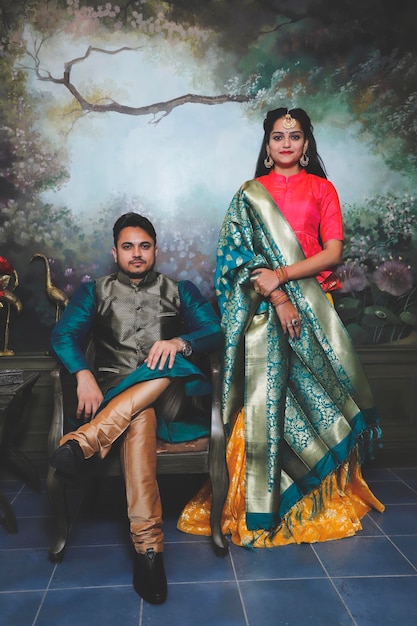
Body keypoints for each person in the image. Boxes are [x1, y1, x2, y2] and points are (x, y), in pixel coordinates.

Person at [178, 107, 384, 547]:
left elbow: (332, 254)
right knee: (262, 407)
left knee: (320, 403)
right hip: (262, 316)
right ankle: (254, 502)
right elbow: (235, 261)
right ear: (267, 146)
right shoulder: (250, 194)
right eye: (277, 136)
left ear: (307, 144)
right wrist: (276, 296)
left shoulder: (323, 190)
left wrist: (284, 278)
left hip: (317, 314)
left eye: (294, 135)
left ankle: (316, 504)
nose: (286, 143)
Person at [49, 212, 222, 604]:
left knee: (169, 361)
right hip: (119, 399)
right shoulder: (96, 291)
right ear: (115, 252)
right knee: (138, 416)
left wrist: (179, 343)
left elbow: (215, 331)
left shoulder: (181, 290)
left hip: (171, 401)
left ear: (155, 250)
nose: (137, 254)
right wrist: (83, 374)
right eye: (128, 246)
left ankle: (85, 441)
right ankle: (149, 551)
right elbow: (64, 336)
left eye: (144, 246)